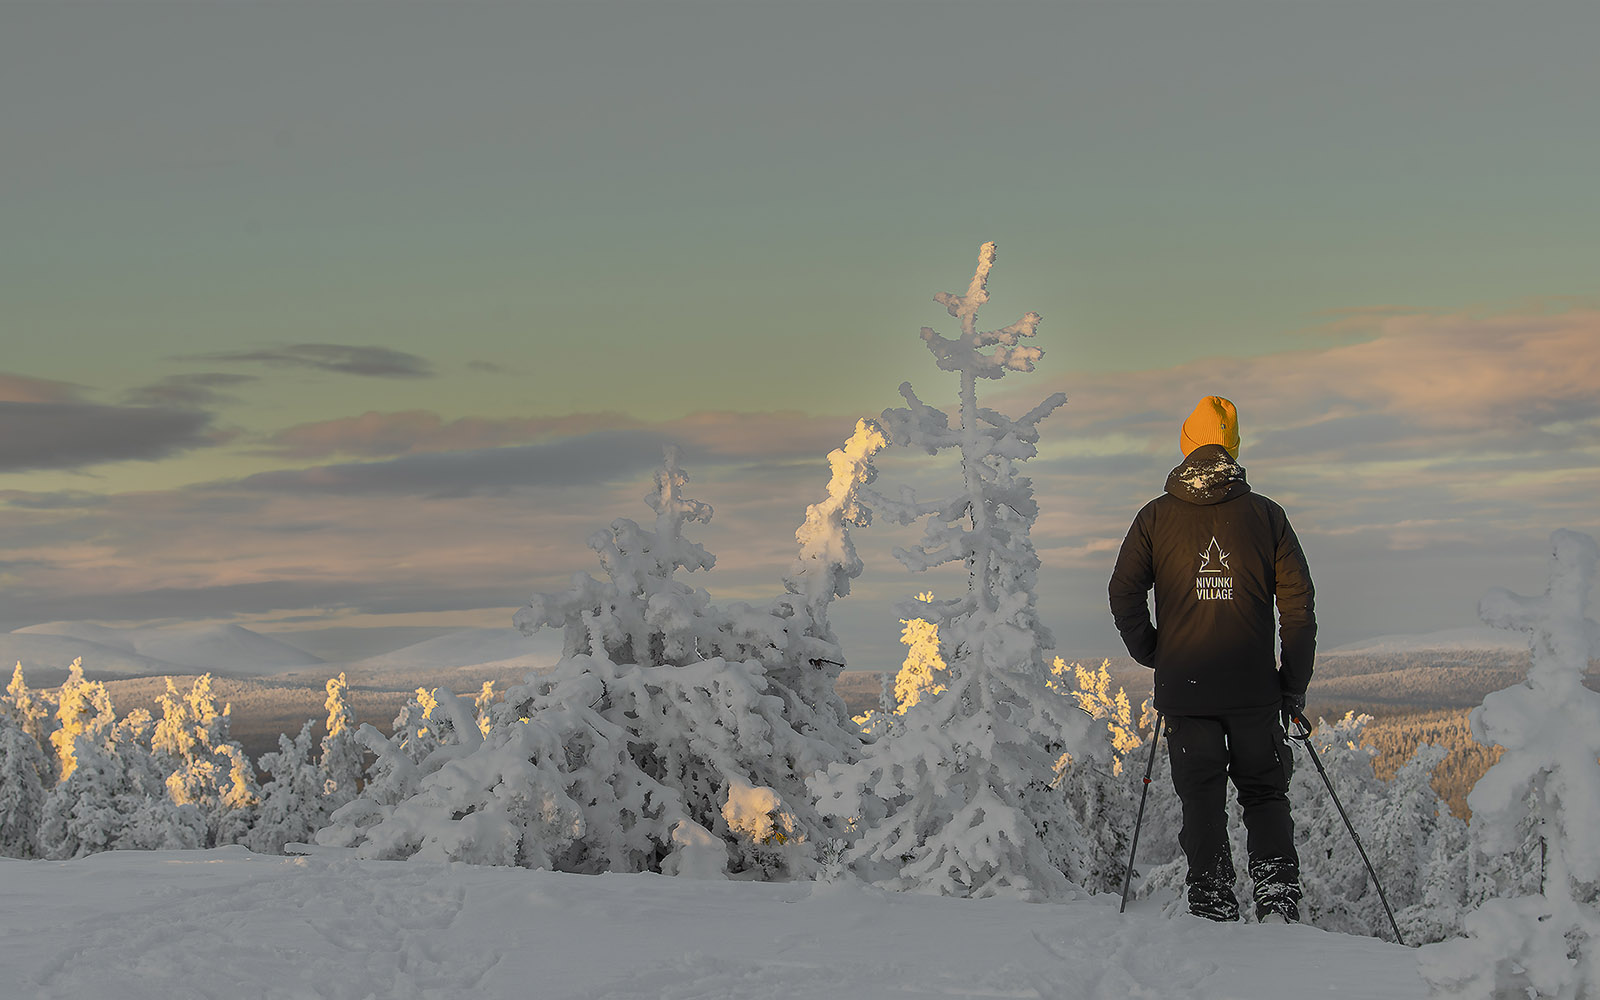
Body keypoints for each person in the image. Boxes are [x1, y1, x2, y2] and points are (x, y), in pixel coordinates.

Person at [1108, 396, 1316, 923]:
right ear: (1234, 445)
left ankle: (1211, 900)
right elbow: (1298, 608)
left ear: (1186, 443)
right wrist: (1291, 686)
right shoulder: (1267, 517)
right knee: (1266, 795)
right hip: (1255, 691)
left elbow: (1123, 592)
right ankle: (1277, 902)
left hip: (1187, 690)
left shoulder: (1155, 518)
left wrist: (1157, 653)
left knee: (1201, 798)